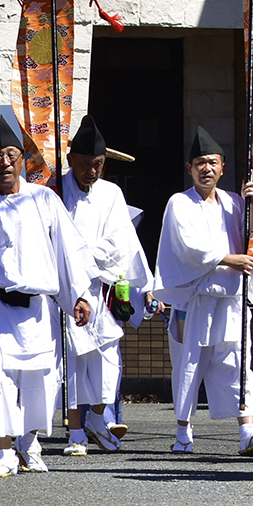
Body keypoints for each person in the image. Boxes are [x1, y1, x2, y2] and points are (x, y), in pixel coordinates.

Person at [0, 118, 93, 477]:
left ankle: (29, 443)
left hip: (38, 308)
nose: (5, 162)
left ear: (22, 159)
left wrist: (77, 295)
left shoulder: (44, 199)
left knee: (39, 380)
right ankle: (5, 452)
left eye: (11, 154)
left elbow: (67, 252)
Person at [156, 126, 253, 457]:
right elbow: (189, 248)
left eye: (212, 162)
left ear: (222, 167)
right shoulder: (179, 203)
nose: (206, 168)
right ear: (190, 168)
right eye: (199, 163)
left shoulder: (234, 202)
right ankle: (183, 433)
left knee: (237, 361)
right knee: (189, 364)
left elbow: (252, 237)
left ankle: (246, 431)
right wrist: (228, 259)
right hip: (196, 300)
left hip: (232, 300)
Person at [58, 116, 152, 455]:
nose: (91, 171)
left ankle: (98, 417)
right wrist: (75, 263)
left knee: (108, 360)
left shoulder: (112, 193)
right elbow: (56, 243)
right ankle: (75, 432)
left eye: (97, 165)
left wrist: (82, 255)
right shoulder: (54, 191)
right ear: (71, 161)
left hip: (101, 288)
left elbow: (120, 243)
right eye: (84, 165)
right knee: (71, 362)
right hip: (67, 292)